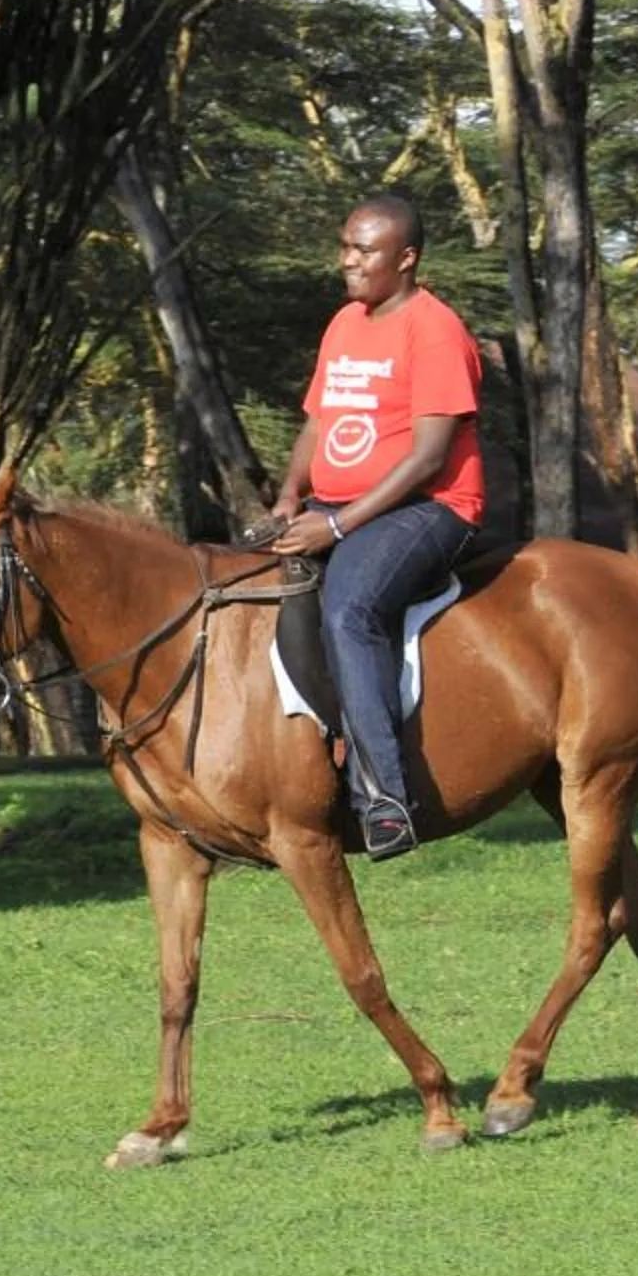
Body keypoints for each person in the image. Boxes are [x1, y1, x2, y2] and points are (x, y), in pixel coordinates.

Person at [265, 194, 485, 862]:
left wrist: (335, 529)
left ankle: (384, 797)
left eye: (364, 251)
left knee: (351, 609)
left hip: (430, 508)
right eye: (345, 247)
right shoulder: (345, 323)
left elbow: (428, 458)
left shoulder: (434, 329)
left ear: (406, 258)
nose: (348, 261)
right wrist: (290, 494)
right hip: (335, 506)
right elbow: (318, 422)